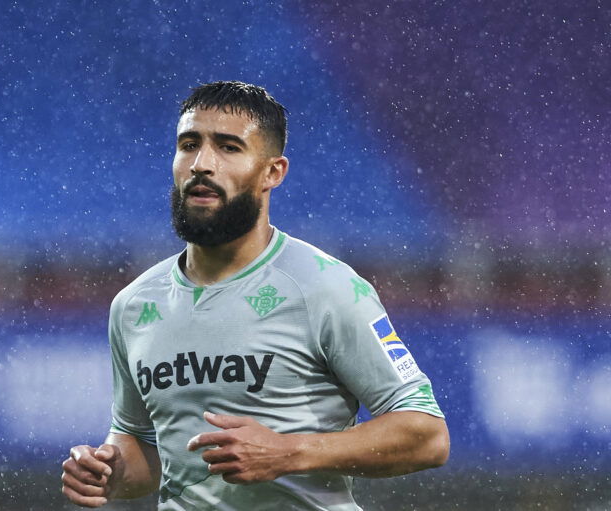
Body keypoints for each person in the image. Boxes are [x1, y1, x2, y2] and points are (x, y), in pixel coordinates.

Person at [61, 81, 450, 510]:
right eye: (189, 144)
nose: (201, 164)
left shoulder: (325, 287)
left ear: (272, 172)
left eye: (228, 147)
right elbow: (147, 446)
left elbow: (426, 435)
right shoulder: (134, 305)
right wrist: (110, 470)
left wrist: (289, 453)